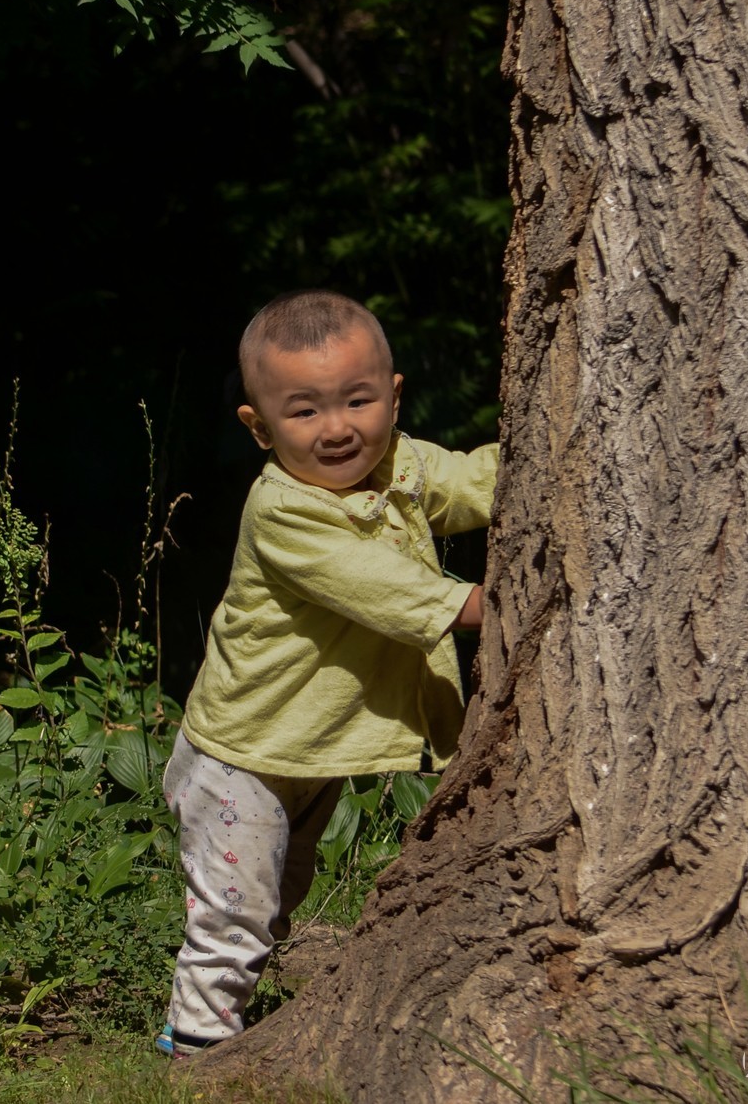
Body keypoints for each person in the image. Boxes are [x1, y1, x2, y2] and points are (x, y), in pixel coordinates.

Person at [156, 288, 498, 1058]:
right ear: (260, 428)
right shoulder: (282, 510)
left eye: (358, 400)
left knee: (278, 899)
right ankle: (197, 1049)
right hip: (242, 755)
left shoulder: (400, 463)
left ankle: (227, 1014)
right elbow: (379, 585)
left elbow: (470, 483)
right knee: (235, 915)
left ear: (394, 396)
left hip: (310, 749)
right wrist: (483, 603)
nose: (338, 427)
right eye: (305, 410)